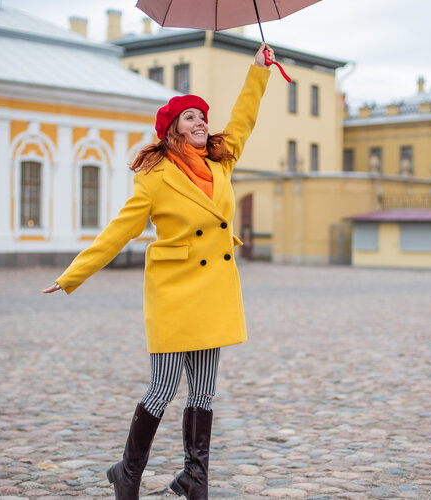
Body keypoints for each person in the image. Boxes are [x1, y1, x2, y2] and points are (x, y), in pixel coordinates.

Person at [43, 43, 274, 500]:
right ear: (172, 129)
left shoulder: (221, 161)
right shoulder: (155, 178)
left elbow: (244, 118)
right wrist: (73, 275)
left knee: (203, 392)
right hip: (173, 293)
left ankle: (195, 478)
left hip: (213, 292)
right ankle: (127, 473)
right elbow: (118, 231)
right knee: (163, 386)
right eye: (190, 117)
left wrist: (258, 72)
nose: (201, 121)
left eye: (203, 116)